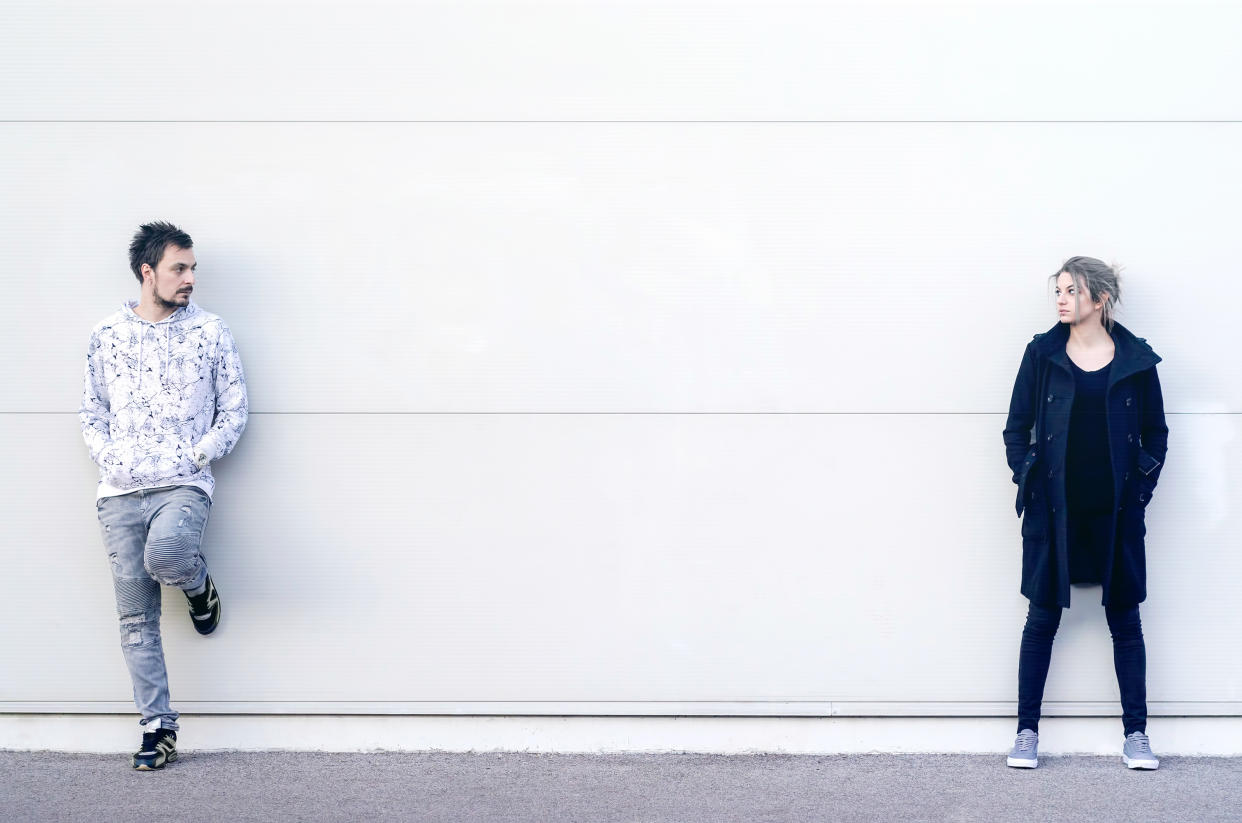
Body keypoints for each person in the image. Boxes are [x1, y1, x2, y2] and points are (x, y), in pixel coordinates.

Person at [80, 222, 248, 769]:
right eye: (180, 268)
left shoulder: (211, 331)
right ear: (147, 272)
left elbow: (234, 409)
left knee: (168, 556)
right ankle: (158, 727)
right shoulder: (107, 334)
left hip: (183, 484)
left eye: (193, 267)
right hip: (120, 493)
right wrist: (111, 458)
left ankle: (199, 589)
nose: (190, 278)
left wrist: (199, 455)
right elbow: (93, 411)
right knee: (135, 619)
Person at [1001, 256, 1167, 770]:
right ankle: (1027, 733)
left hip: (1115, 512)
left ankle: (1136, 736)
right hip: (1055, 512)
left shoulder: (1136, 362)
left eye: (1072, 291)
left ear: (1100, 299)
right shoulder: (1043, 355)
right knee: (1041, 619)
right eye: (1059, 290)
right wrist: (1027, 477)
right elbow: (1016, 429)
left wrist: (1139, 491)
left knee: (1126, 622)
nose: (1061, 298)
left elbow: (1156, 436)